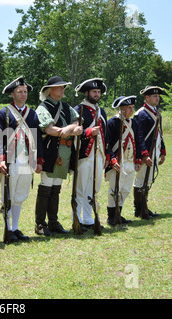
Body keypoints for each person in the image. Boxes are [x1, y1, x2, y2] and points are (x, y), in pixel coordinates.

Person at [0, 76, 44, 242]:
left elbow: (37, 139)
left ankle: (14, 228)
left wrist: (39, 160)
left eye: (25, 91)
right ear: (12, 94)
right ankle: (7, 229)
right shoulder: (4, 113)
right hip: (10, 161)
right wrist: (0, 160)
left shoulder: (32, 114)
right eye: (19, 92)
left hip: (27, 161)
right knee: (9, 196)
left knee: (20, 195)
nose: (23, 94)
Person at [34, 76, 83, 236]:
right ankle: (40, 224)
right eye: (59, 87)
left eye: (63, 87)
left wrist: (67, 129)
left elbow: (77, 123)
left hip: (64, 151)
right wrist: (67, 130)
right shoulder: (42, 108)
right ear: (50, 90)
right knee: (46, 187)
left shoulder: (65, 106)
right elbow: (49, 130)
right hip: (50, 151)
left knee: (56, 188)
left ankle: (53, 222)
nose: (62, 89)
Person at [73, 78, 109, 230]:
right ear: (86, 92)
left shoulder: (102, 112)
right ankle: (78, 219)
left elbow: (105, 136)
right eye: (94, 92)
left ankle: (88, 218)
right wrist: (88, 132)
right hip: (84, 155)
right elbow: (72, 133)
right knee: (81, 188)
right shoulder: (78, 109)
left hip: (99, 155)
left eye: (99, 92)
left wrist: (106, 155)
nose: (97, 94)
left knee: (93, 189)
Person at [105, 96, 142, 225]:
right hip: (117, 162)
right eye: (129, 108)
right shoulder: (112, 123)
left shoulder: (133, 123)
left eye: (132, 108)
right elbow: (107, 144)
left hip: (129, 161)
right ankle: (111, 217)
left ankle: (118, 214)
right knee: (114, 189)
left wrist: (138, 159)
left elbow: (138, 140)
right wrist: (112, 160)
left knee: (125, 189)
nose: (132, 110)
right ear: (121, 109)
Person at [133, 86, 166, 219]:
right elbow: (139, 136)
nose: (157, 98)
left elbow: (160, 133)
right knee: (141, 180)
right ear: (147, 98)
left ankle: (144, 207)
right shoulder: (141, 113)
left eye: (158, 96)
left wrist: (162, 151)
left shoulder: (157, 112)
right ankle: (139, 209)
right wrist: (144, 154)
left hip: (155, 151)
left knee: (147, 181)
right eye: (154, 96)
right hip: (145, 152)